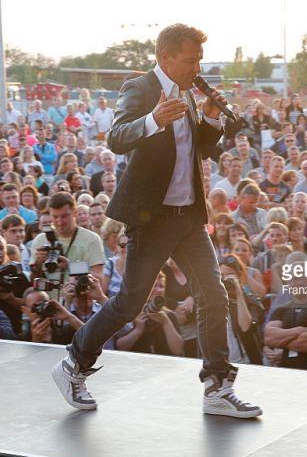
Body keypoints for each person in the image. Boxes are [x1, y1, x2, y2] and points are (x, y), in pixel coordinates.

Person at [52, 24, 261, 418]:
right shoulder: (140, 88)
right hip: (153, 217)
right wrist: (154, 119)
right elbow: (117, 137)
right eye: (189, 59)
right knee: (130, 302)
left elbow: (198, 149)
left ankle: (217, 385)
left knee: (214, 294)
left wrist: (213, 119)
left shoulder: (191, 93)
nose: (196, 67)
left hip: (189, 216)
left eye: (199, 59)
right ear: (165, 57)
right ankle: (73, 364)